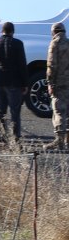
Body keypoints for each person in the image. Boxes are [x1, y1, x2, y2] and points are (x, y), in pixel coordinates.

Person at [0, 21, 28, 140]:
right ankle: (15, 137)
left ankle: (2, 136)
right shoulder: (17, 43)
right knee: (15, 111)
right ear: (13, 31)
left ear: (2, 31)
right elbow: (22, 65)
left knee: (1, 111)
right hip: (13, 82)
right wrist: (25, 83)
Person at [46, 22, 69, 150]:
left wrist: (50, 83)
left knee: (59, 110)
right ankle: (68, 141)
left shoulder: (54, 44)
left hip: (59, 83)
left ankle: (59, 142)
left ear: (53, 32)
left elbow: (51, 66)